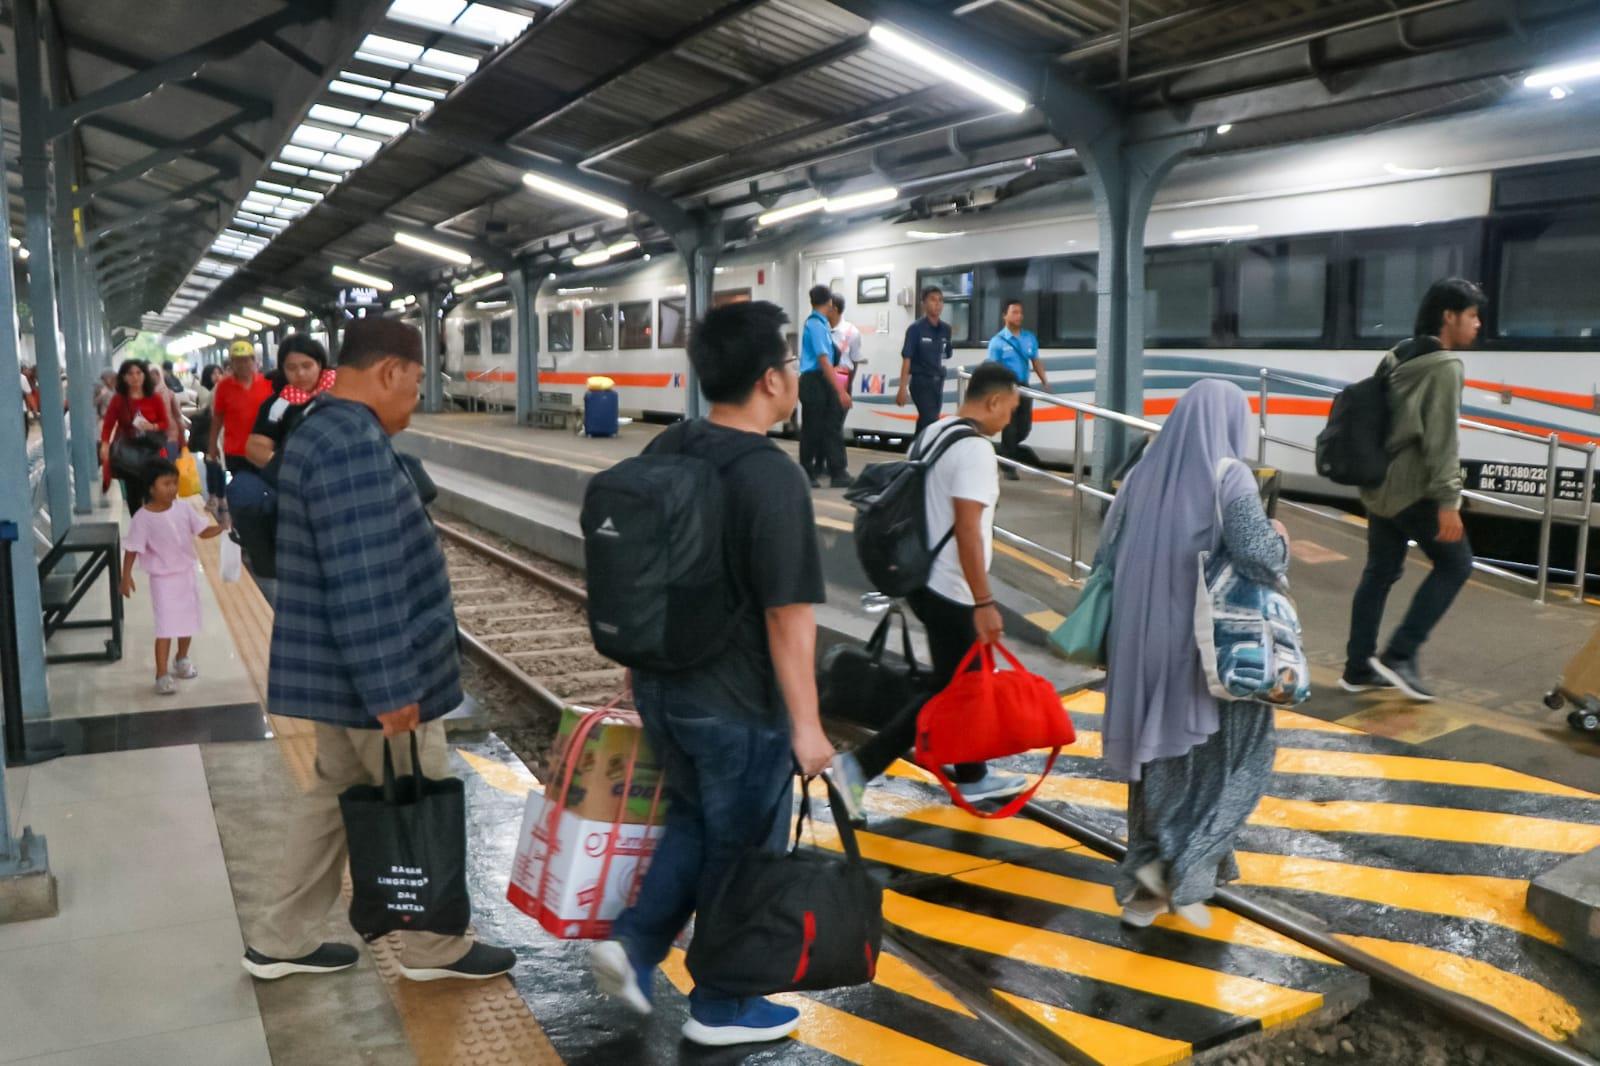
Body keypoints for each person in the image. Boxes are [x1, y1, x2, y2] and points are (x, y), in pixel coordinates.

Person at [242, 318, 515, 984]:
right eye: (416, 383)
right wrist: (392, 689)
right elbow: (365, 580)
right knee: (420, 795)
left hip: (337, 675)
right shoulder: (353, 446)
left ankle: (280, 937)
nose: (416, 400)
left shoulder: (322, 430)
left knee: (333, 796)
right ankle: (433, 947)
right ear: (389, 371)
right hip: (373, 680)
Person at [589, 301, 833, 1048]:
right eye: (789, 363)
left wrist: (641, 665)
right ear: (769, 380)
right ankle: (723, 1005)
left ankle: (634, 944)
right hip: (737, 704)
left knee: (695, 821)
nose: (794, 375)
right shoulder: (772, 476)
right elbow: (787, 616)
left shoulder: (672, 444)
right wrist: (808, 726)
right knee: (745, 848)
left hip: (666, 687)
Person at [1096, 379, 1288, 929]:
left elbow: (1107, 551)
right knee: (1242, 755)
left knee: (1160, 761)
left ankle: (1153, 877)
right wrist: (1280, 535)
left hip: (1139, 644)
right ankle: (1186, 870)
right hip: (1206, 649)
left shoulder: (1140, 475)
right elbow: (1259, 556)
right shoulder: (1229, 475)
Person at [830, 362, 1028, 815]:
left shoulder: (935, 431)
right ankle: (858, 767)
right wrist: (984, 601)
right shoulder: (976, 450)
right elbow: (968, 529)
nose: (1009, 419)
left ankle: (973, 775)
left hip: (923, 580)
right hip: (954, 591)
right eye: (1010, 409)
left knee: (964, 684)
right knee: (948, 691)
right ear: (994, 400)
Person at [1341, 278, 1482, 702]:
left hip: (1379, 483)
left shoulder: (1399, 352)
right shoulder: (1445, 366)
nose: (1477, 324)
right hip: (1413, 490)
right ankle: (1400, 654)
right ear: (1449, 317)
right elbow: (1442, 441)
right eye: (1472, 315)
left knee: (1380, 571)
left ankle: (1357, 667)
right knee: (1456, 565)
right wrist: (1448, 502)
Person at [119, 457, 222, 695]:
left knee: (187, 620)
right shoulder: (142, 518)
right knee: (165, 626)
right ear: (151, 488)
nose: (172, 488)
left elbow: (202, 531)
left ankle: (182, 658)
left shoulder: (183, 508)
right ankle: (161, 673)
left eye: (174, 483)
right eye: (166, 484)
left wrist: (221, 528)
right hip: (162, 580)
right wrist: (125, 577)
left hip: (186, 574)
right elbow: (132, 549)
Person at [245, 335, 333, 481]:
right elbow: (255, 447)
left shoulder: (341, 392)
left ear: (319, 364)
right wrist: (289, 467)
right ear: (282, 369)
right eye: (291, 368)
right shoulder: (277, 405)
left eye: (307, 366)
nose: (300, 374)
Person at [986, 299, 1050, 481]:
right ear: (1004, 316)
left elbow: (1035, 361)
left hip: (1024, 387)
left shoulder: (1029, 338)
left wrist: (1044, 380)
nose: (1019, 316)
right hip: (1007, 388)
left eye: (1020, 312)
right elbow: (993, 368)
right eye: (1014, 312)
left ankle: (1002, 452)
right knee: (1010, 428)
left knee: (1024, 428)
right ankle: (1008, 467)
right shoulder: (997, 342)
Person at [99, 359, 170, 513]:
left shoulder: (154, 398)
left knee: (152, 492)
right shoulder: (119, 399)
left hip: (151, 451)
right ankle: (138, 522)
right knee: (133, 494)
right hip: (129, 453)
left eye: (139, 373)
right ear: (124, 377)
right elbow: (108, 424)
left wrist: (152, 426)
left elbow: (165, 422)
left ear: (144, 375)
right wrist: (105, 444)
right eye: (130, 374)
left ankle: (152, 523)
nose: (135, 377)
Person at [797, 284, 851, 488]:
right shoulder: (816, 325)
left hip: (821, 380)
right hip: (814, 381)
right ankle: (806, 471)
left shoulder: (821, 324)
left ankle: (838, 471)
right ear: (829, 302)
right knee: (812, 429)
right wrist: (841, 391)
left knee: (831, 426)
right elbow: (824, 361)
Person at [209, 340, 272, 477]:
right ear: (231, 363)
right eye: (237, 361)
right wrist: (212, 446)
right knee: (241, 487)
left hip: (262, 450)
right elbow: (218, 418)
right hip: (235, 452)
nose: (242, 365)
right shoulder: (223, 387)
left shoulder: (267, 384)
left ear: (254, 361)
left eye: (246, 360)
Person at [897, 286, 953, 435]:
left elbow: (947, 354)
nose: (938, 304)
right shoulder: (915, 329)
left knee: (926, 421)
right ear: (923, 304)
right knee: (931, 419)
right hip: (921, 382)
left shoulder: (946, 329)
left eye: (940, 300)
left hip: (938, 382)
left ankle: (917, 447)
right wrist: (902, 388)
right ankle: (926, 448)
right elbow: (907, 358)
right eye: (933, 300)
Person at [190, 366, 226, 513]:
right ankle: (212, 497)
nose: (217, 376)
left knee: (221, 467)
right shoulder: (202, 390)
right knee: (211, 466)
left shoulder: (224, 389)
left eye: (219, 373)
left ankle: (221, 497)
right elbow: (205, 404)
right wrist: (219, 387)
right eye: (213, 373)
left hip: (222, 434)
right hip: (208, 434)